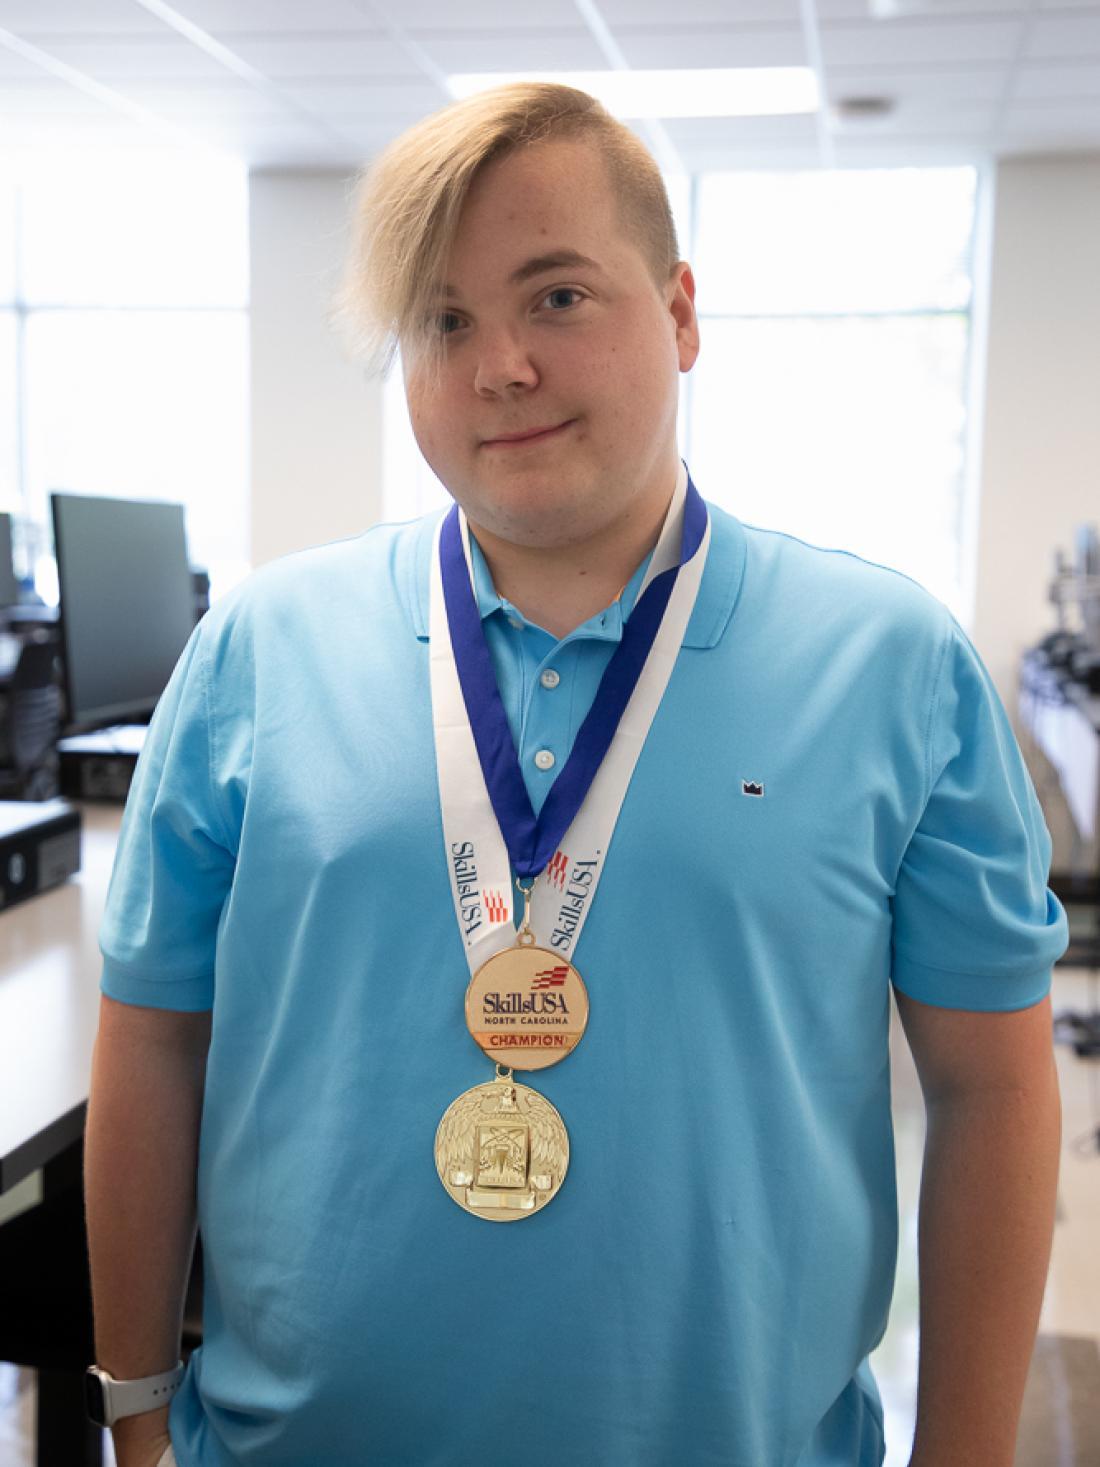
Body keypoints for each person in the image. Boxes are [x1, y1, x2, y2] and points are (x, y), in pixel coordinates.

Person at [84, 83, 1068, 1467]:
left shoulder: (891, 665)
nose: (499, 366)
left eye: (554, 298)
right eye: (444, 320)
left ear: (678, 313)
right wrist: (132, 1409)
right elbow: (152, 1036)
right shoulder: (259, 648)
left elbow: (995, 1090)